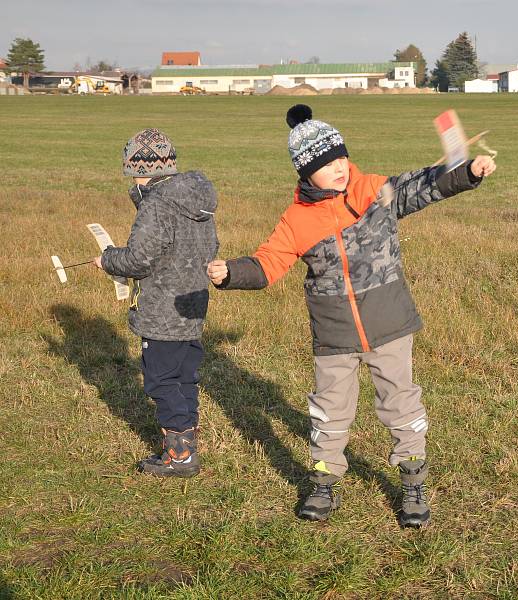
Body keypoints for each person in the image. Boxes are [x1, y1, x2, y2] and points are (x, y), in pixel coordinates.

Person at [207, 105, 496, 525]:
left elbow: (422, 186)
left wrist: (467, 172)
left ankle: (413, 481)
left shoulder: (373, 192)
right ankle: (324, 482)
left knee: (401, 403)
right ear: (306, 172)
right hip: (334, 334)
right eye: (327, 164)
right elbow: (268, 264)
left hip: (390, 324)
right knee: (330, 409)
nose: (340, 168)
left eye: (341, 157)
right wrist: (231, 272)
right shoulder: (296, 221)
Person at [96, 128, 219, 477]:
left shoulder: (156, 205)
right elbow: (212, 248)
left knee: (161, 380)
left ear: (139, 169)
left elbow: (138, 260)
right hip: (192, 306)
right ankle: (187, 443)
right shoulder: (198, 201)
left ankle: (178, 456)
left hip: (162, 311)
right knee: (185, 376)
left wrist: (107, 260)